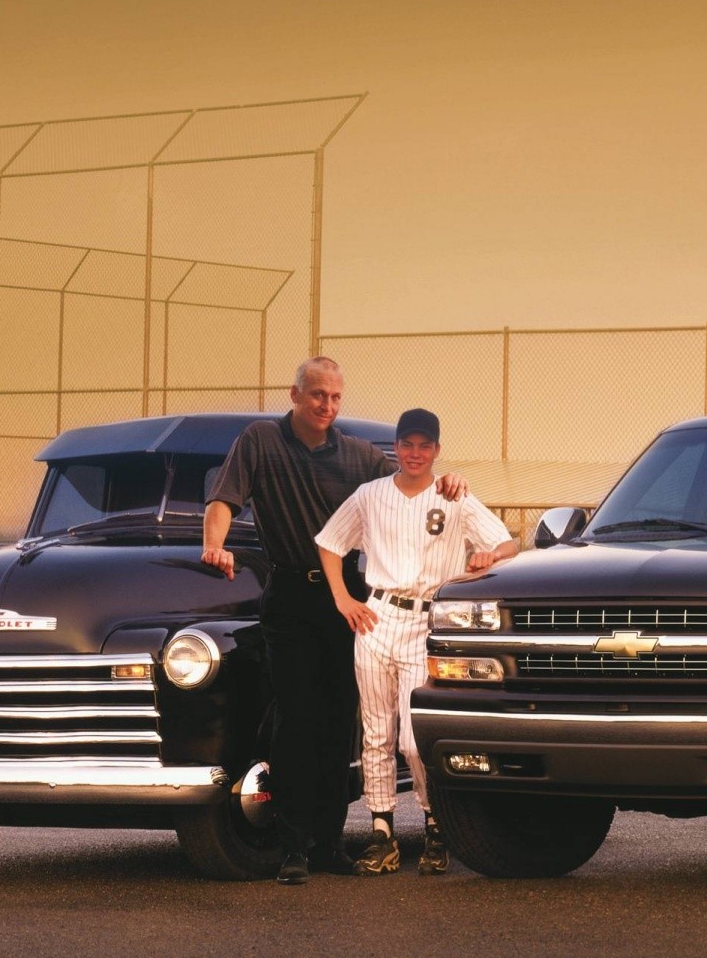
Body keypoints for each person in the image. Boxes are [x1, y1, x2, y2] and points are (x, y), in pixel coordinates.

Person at [201, 359, 466, 886]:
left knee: (342, 719)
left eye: (336, 397)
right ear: (295, 394)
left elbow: (409, 481)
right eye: (318, 395)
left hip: (350, 599)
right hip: (291, 597)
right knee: (297, 719)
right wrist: (214, 544)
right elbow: (223, 501)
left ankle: (330, 843)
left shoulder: (359, 456)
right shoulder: (259, 441)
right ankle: (293, 845)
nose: (327, 405)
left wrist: (452, 481)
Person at [315, 408, 517, 875]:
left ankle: (436, 825)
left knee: (411, 739)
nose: (415, 453)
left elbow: (507, 543)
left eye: (425, 446)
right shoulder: (370, 495)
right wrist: (344, 598)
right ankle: (381, 833)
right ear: (396, 448)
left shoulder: (454, 496)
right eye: (407, 444)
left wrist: (489, 555)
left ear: (437, 451)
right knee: (376, 734)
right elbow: (329, 544)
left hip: (425, 622)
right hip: (376, 616)